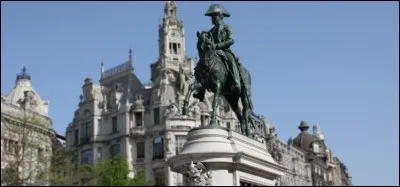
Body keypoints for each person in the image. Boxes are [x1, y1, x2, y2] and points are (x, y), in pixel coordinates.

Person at [204, 4, 241, 93]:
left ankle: (237, 83)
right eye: (212, 16)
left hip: (224, 51)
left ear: (220, 16)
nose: (212, 18)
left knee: (231, 60)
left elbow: (231, 40)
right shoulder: (211, 31)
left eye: (214, 16)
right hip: (213, 52)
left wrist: (218, 45)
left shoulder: (227, 27)